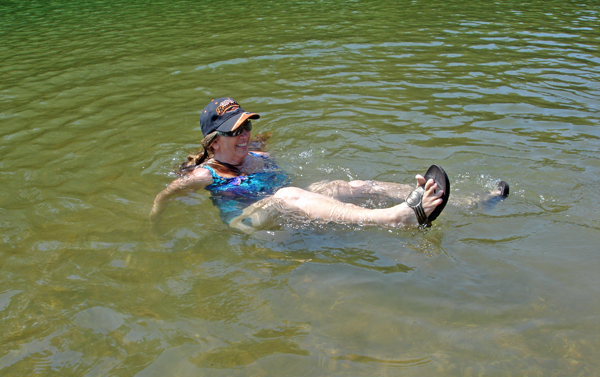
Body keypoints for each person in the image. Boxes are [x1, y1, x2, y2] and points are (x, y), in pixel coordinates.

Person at [150, 97, 485, 233]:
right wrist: (154, 224)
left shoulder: (258, 156)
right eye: (234, 130)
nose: (244, 134)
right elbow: (165, 195)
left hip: (284, 212)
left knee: (345, 186)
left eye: (246, 126)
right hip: (248, 224)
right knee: (289, 194)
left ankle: (451, 201)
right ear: (213, 142)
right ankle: (398, 217)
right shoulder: (204, 173)